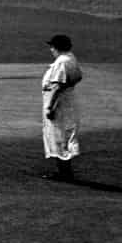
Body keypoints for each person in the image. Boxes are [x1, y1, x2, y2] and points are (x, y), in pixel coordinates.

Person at [41, 33, 84, 180]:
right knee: (64, 135)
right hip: (68, 101)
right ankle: (65, 171)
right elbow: (78, 77)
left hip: (60, 104)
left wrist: (50, 107)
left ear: (57, 47)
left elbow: (57, 87)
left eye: (52, 47)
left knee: (59, 136)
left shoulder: (62, 62)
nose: (51, 50)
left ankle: (64, 173)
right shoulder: (71, 58)